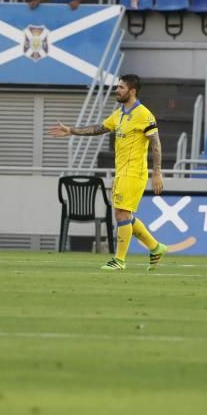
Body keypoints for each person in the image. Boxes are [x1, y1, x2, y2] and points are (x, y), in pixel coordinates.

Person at [48, 73, 168, 271]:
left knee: (122, 214)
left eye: (121, 87)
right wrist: (71, 130)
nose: (117, 90)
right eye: (117, 87)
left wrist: (157, 172)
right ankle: (156, 247)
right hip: (122, 171)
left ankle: (119, 260)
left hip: (134, 172)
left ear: (132, 91)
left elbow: (156, 144)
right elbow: (98, 129)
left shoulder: (144, 115)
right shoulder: (119, 113)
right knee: (123, 214)